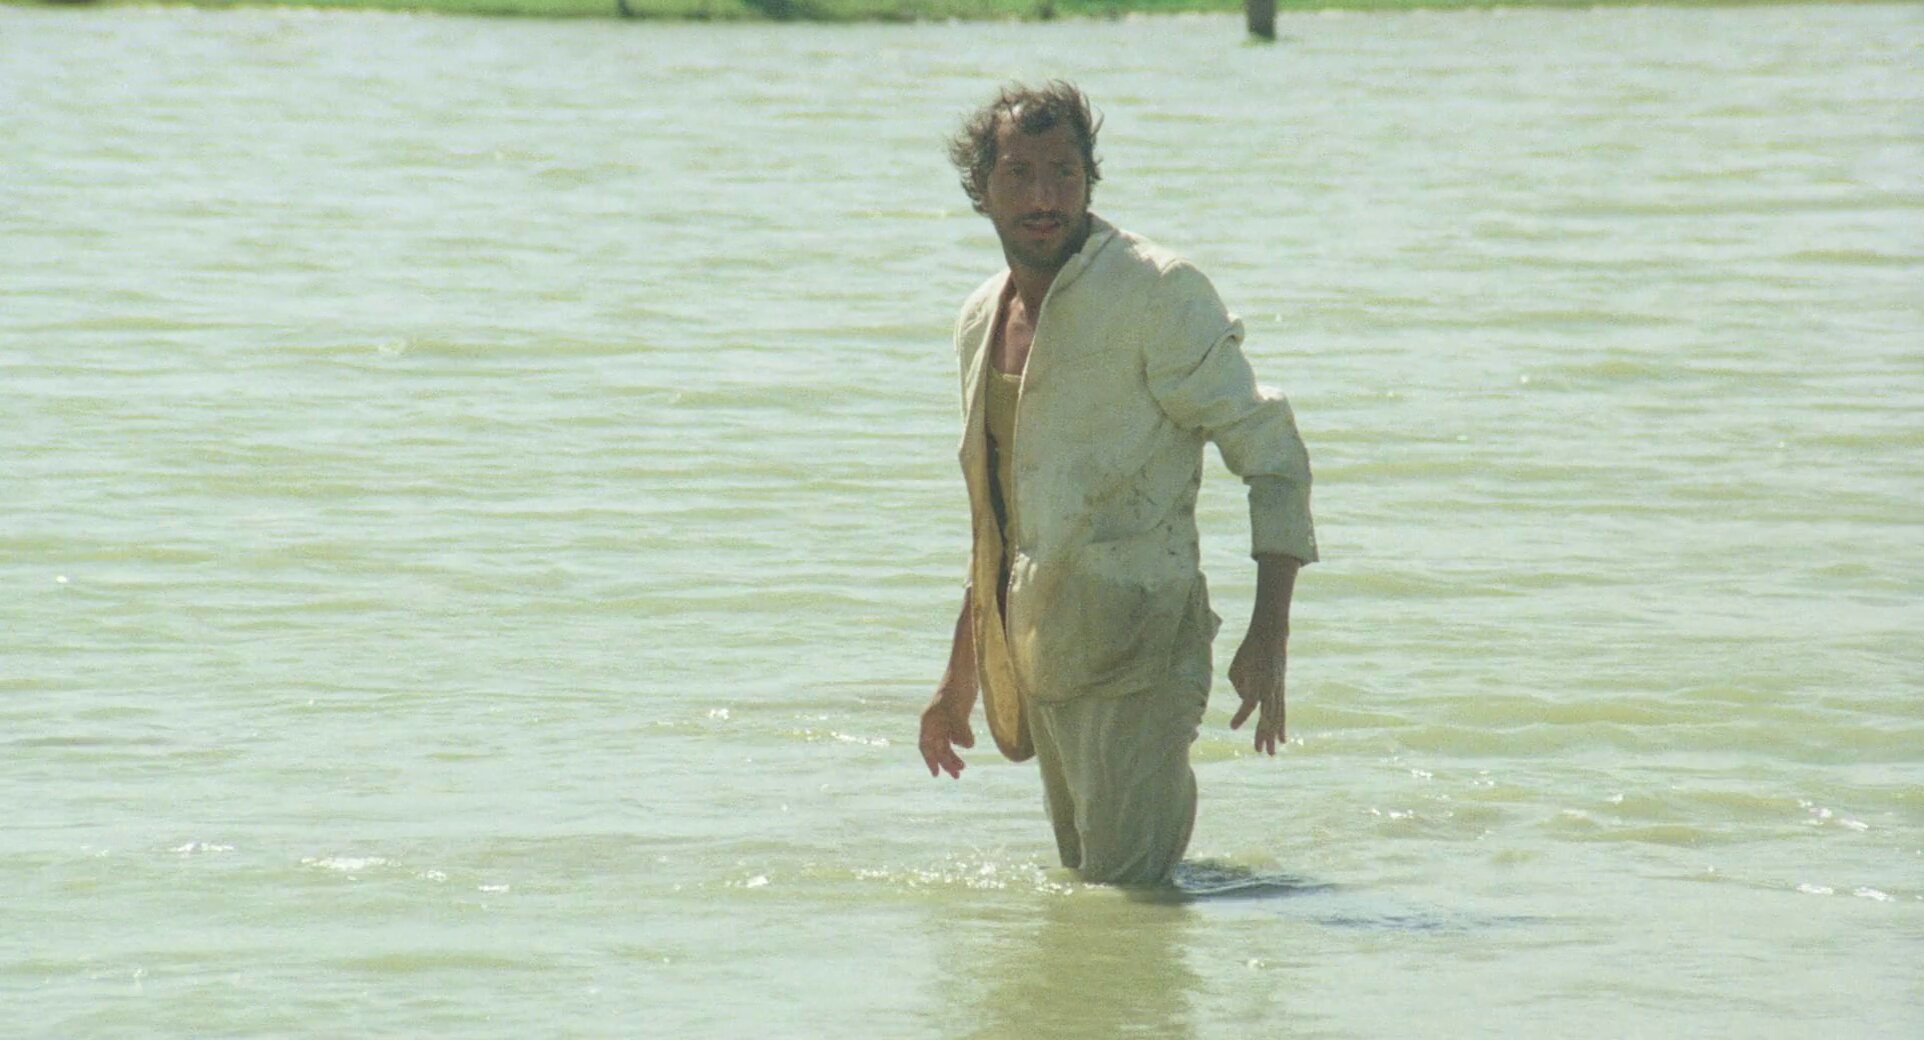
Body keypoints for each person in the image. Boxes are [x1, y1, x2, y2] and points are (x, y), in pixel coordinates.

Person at [918, 81, 1318, 886]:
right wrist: (959, 680)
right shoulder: (980, 318)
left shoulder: (1155, 292)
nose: (1044, 197)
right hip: (1043, 648)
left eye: (1063, 173)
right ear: (982, 188)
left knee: (1128, 899)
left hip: (1143, 643)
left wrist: (1269, 634)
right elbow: (997, 518)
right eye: (1020, 174)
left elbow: (1273, 454)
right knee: (1094, 893)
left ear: (1089, 180)